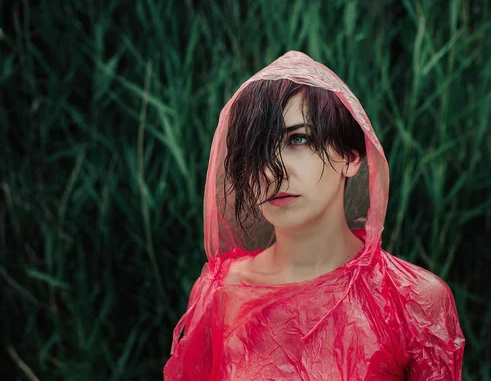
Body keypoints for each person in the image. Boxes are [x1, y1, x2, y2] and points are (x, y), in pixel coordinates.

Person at [164, 51, 465, 380]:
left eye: (298, 138)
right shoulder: (221, 293)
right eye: (255, 149)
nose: (270, 171)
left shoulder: (413, 301)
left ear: (351, 157)